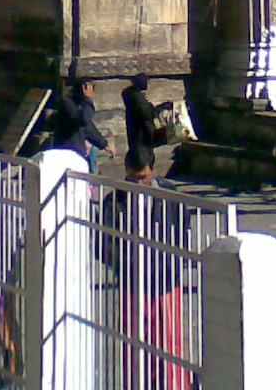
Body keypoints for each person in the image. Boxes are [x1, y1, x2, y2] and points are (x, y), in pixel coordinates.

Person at [102, 150, 190, 390]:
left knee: (169, 347)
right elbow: (104, 244)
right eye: (134, 179)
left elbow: (183, 233)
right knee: (134, 348)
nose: (139, 184)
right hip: (132, 284)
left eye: (144, 178)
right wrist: (125, 263)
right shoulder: (115, 200)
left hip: (165, 283)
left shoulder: (171, 197)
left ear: (153, 170)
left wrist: (172, 264)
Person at [54, 79, 113, 172]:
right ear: (83, 88)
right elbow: (83, 120)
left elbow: (88, 128)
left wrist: (104, 144)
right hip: (67, 151)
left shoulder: (79, 105)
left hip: (76, 151)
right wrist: (88, 99)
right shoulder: (67, 103)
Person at [123, 74, 160, 158]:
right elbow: (147, 113)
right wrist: (161, 108)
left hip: (137, 138)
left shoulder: (133, 96)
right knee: (144, 161)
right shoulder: (137, 98)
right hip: (142, 138)